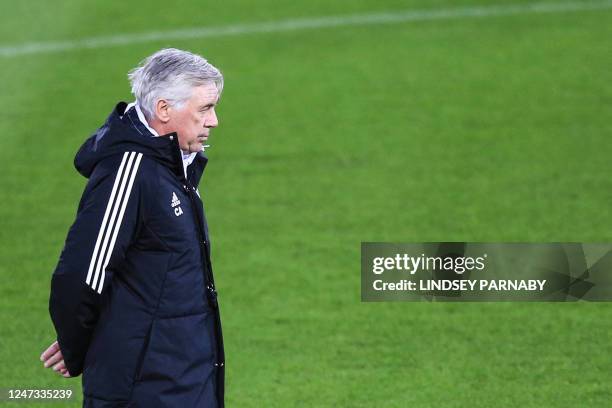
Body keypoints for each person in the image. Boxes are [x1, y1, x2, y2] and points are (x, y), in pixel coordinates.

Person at [40, 48, 225, 407]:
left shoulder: (172, 166)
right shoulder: (131, 171)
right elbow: (82, 274)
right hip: (143, 387)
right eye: (204, 108)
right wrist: (77, 347)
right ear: (164, 110)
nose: (213, 120)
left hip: (183, 377)